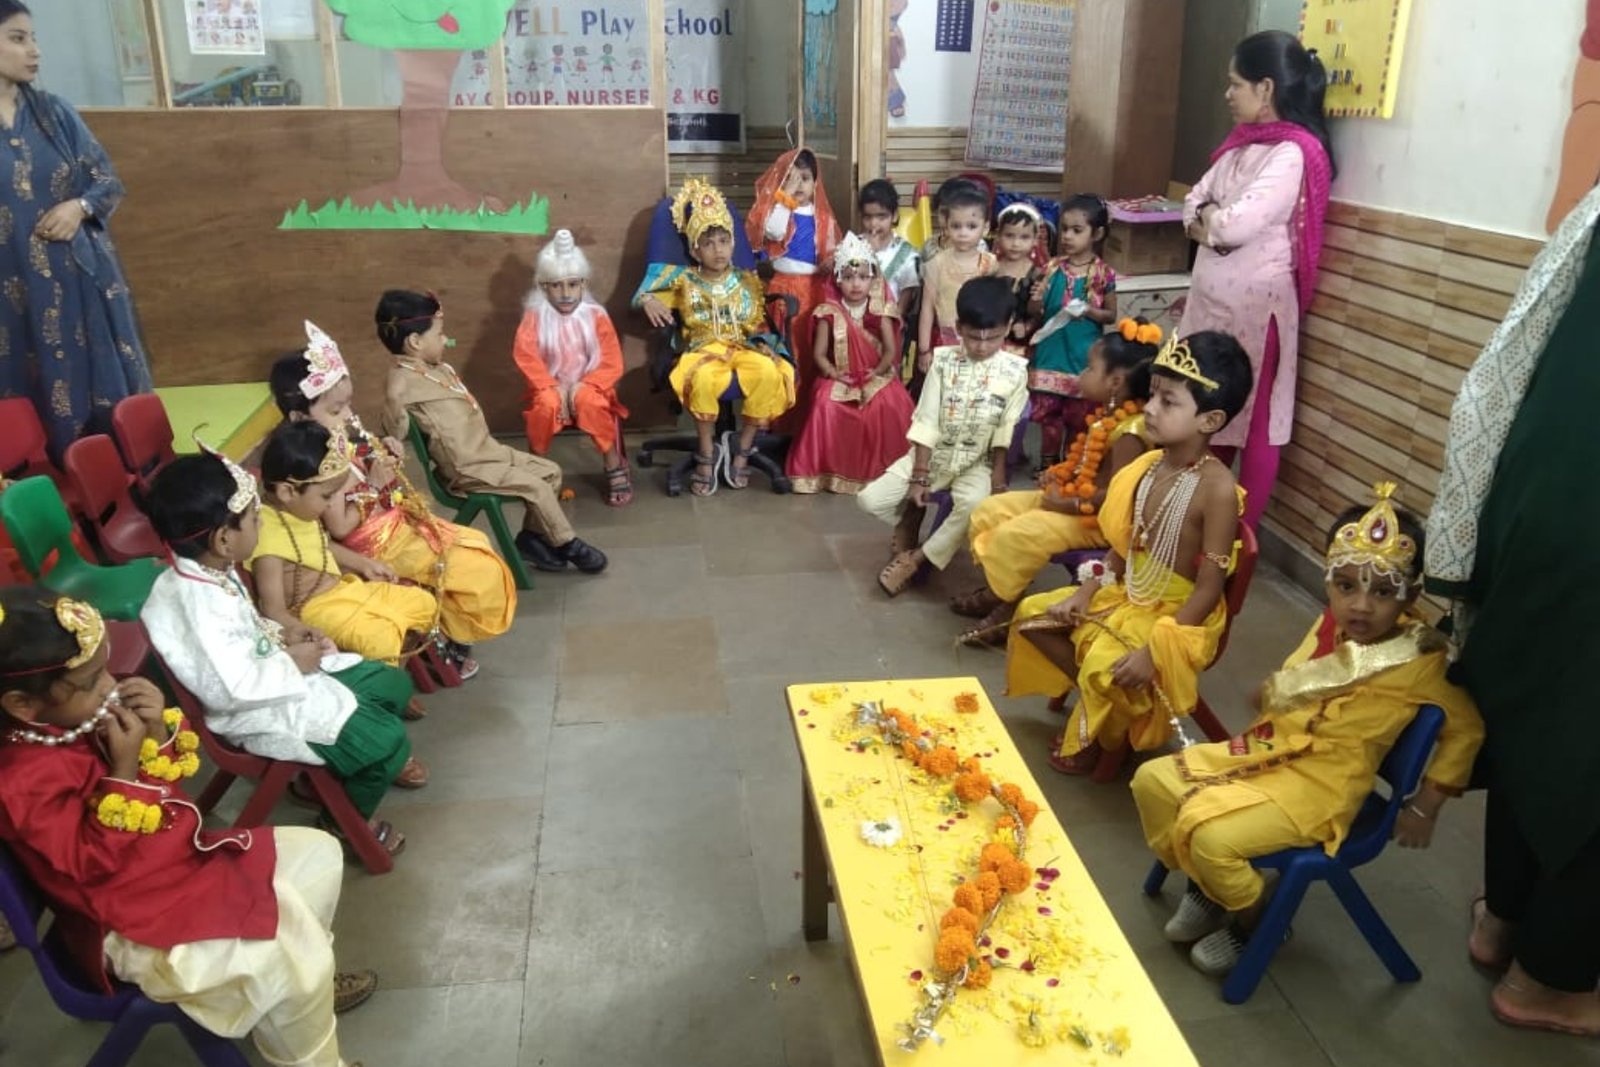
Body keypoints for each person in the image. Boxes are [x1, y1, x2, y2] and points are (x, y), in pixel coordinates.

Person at [0, 587, 380, 1066]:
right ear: (22, 704)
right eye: (92, 681)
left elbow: (162, 801)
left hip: (171, 866)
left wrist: (155, 734)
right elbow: (89, 866)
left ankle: (293, 998)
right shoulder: (19, 782)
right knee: (291, 957)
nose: (111, 686)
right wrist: (124, 771)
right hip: (127, 922)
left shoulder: (70, 720)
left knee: (318, 854)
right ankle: (307, 1022)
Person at [1131, 486, 1483, 976]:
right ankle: (1212, 888)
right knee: (1152, 781)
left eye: (1383, 592)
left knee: (1213, 839)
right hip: (1263, 750)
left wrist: (1426, 805)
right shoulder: (1328, 628)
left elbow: (1467, 729)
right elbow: (1287, 689)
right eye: (1347, 586)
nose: (1361, 606)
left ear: (1411, 594)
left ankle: (1258, 920)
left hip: (1324, 786)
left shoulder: (1420, 658)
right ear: (1329, 583)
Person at [1429, 183, 1600, 1037]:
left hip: (1537, 501)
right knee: (1588, 761)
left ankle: (1503, 919)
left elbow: (1514, 357)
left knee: (1538, 721)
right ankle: (1552, 978)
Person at [142, 449, 423, 853]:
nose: (262, 524)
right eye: (254, 519)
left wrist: (286, 634)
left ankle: (339, 774)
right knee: (389, 742)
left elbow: (247, 631)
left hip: (277, 673)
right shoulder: (197, 605)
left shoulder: (210, 569)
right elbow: (230, 689)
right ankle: (345, 823)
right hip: (255, 710)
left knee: (393, 685)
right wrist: (292, 663)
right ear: (224, 539)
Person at [1006, 331, 1252, 774]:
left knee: (1104, 664)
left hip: (1173, 615)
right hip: (1126, 590)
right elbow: (1126, 548)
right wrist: (1086, 591)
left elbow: (1209, 589)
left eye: (1168, 402)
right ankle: (1102, 703)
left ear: (1211, 420)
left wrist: (1155, 651)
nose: (1150, 408)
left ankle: (1105, 727)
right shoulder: (1149, 465)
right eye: (1153, 395)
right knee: (1031, 618)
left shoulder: (1216, 490)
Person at [269, 321, 514, 676]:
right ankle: (445, 640)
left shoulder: (340, 439)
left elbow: (370, 477)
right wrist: (373, 486)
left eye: (348, 404)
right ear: (298, 417)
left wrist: (383, 454)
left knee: (475, 545)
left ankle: (451, 632)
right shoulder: (315, 462)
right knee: (470, 569)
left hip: (396, 524)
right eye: (336, 410)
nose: (349, 416)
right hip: (373, 545)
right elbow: (340, 527)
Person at [1179, 30, 1334, 531]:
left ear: (1265, 88)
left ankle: (1236, 537)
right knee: (1211, 408)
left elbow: (1233, 225)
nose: (1228, 94)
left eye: (1235, 84)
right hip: (1212, 307)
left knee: (1255, 421)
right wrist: (1211, 221)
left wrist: (1211, 223)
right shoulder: (1240, 147)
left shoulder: (1292, 153)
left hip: (1255, 311)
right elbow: (1191, 204)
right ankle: (1199, 522)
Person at [0, 1, 152, 458]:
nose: (35, 51)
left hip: (81, 282)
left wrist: (79, 206)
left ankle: (112, 479)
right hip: (12, 294)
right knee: (24, 402)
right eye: (18, 39)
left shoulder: (54, 114)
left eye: (33, 38)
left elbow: (105, 180)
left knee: (100, 394)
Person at [954, 318, 1161, 644]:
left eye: (1090, 368)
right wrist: (1061, 473)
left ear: (1115, 382)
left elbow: (1118, 498)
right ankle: (1003, 591)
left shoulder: (1131, 433)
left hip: (1097, 521)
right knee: (989, 511)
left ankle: (1004, 607)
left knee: (1019, 534)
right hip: (1073, 500)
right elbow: (1087, 464)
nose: (1082, 374)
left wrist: (1066, 505)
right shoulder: (1107, 416)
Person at [377, 289, 608, 573]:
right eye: (439, 334)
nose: (445, 339)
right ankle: (568, 543)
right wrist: (393, 402)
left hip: (490, 453)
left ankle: (532, 539)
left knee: (550, 472)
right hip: (468, 468)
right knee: (536, 487)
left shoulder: (436, 368)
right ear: (415, 341)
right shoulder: (402, 382)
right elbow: (394, 429)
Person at [859, 276, 1028, 597]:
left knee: (974, 504)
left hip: (976, 464)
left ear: (1008, 327)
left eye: (992, 338)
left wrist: (998, 477)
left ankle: (916, 560)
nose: (981, 347)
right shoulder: (942, 361)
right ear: (959, 327)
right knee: (869, 500)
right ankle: (910, 517)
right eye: (973, 337)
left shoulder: (1016, 371)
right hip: (931, 457)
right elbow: (927, 418)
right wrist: (919, 475)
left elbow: (1006, 428)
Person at [635, 177, 795, 496]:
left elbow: (757, 323)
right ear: (695, 250)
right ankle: (706, 453)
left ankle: (744, 448)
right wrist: (648, 300)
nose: (718, 250)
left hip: (742, 347)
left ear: (733, 244)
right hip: (703, 350)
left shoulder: (745, 280)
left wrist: (763, 345)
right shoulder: (683, 280)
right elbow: (644, 292)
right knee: (703, 378)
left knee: (767, 371)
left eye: (724, 241)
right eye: (708, 244)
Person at [253, 420, 442, 669]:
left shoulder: (298, 510)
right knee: (381, 638)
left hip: (345, 589)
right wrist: (303, 633)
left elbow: (321, 546)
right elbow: (273, 610)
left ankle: (394, 656)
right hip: (315, 610)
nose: (331, 503)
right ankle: (385, 684)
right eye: (326, 496)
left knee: (424, 602)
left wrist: (363, 564)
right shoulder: (266, 537)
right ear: (288, 492)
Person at [785, 232, 914, 494]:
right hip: (838, 376)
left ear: (873, 279)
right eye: (848, 277)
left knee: (887, 405)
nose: (856, 284)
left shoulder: (881, 311)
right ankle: (826, 473)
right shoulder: (827, 312)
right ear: (837, 279)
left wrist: (875, 373)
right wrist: (834, 374)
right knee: (825, 404)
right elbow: (819, 355)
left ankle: (887, 474)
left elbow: (890, 351)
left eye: (863, 277)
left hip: (876, 374)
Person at [512, 229, 632, 505]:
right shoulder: (535, 316)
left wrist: (584, 385)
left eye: (573, 285)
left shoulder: (596, 316)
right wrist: (551, 386)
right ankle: (538, 466)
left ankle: (612, 461)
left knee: (590, 401)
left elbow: (611, 360)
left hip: (591, 386)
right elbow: (526, 356)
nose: (565, 294)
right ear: (543, 286)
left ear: (583, 284)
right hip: (548, 387)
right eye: (556, 286)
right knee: (545, 406)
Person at [1028, 194, 1117, 469]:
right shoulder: (1051, 268)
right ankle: (1047, 467)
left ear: (1097, 234)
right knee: (1049, 419)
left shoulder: (1103, 274)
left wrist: (1089, 311)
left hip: (1082, 358)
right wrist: (1035, 299)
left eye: (1077, 230)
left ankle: (1070, 468)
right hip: (1050, 355)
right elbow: (1035, 314)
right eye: (1064, 229)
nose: (1067, 236)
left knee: (1079, 420)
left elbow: (1111, 316)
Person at [746, 147, 841, 348]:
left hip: (814, 288)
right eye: (791, 178)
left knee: (809, 339)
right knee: (785, 339)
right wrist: (785, 199)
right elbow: (775, 232)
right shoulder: (778, 211)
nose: (798, 185)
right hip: (783, 285)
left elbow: (832, 250)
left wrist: (830, 262)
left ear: (815, 183)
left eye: (804, 178)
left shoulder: (823, 218)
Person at [917, 183, 996, 367]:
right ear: (946, 227)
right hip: (944, 342)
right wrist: (923, 349)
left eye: (971, 226)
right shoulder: (936, 263)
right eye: (956, 226)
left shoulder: (990, 264)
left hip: (981, 343)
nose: (963, 233)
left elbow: (996, 308)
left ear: (985, 228)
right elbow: (927, 308)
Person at [858, 179, 921, 320]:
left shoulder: (905, 253)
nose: (873, 223)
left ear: (895, 216)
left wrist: (895, 322)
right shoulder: (854, 245)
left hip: (889, 321)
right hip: (856, 319)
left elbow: (906, 296)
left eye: (881, 217)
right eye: (867, 217)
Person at [990, 202, 1047, 358]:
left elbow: (1038, 314)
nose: (1016, 243)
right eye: (1009, 236)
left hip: (1024, 342)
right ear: (998, 236)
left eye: (1024, 237)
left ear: (1035, 240)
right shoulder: (990, 269)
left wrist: (1027, 326)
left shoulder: (1037, 274)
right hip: (992, 340)